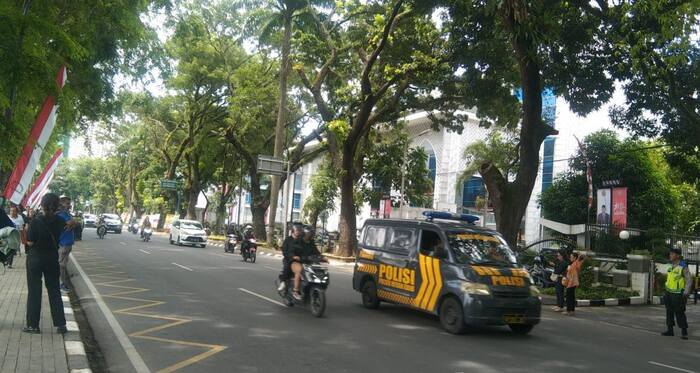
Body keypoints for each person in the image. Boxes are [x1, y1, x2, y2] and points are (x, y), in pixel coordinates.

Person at [24, 193, 67, 334]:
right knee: (54, 291)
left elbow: (29, 241)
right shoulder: (60, 221)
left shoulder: (35, 221)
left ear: (42, 205)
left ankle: (33, 326)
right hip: (51, 259)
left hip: (35, 259)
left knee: (35, 291)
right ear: (56, 207)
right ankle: (61, 325)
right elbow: (71, 225)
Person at [661, 247, 693, 340]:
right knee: (669, 311)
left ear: (677, 256)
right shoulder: (671, 266)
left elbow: (689, 280)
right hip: (669, 292)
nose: (670, 255)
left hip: (678, 294)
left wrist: (686, 292)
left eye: (672, 254)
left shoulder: (683, 267)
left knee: (679, 312)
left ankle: (684, 332)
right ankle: (670, 330)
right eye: (670, 254)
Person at [57, 196, 76, 293]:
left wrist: (72, 223)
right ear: (62, 204)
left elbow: (74, 223)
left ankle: (62, 282)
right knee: (61, 265)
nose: (69, 205)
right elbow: (71, 222)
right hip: (63, 243)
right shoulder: (62, 214)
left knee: (63, 264)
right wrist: (72, 222)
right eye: (67, 203)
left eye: (69, 203)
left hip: (67, 243)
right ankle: (61, 284)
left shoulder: (66, 213)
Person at [277, 224, 304, 295]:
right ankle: (283, 282)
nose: (298, 232)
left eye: (299, 231)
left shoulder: (301, 241)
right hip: (289, 259)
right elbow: (284, 251)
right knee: (287, 268)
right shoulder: (288, 240)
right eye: (297, 230)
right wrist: (292, 256)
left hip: (301, 260)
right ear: (293, 231)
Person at [563, 252, 585, 316]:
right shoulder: (574, 263)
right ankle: (571, 311)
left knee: (569, 297)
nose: (570, 258)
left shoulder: (576, 263)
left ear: (575, 258)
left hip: (572, 282)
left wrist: (579, 256)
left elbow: (582, 257)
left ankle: (569, 311)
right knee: (571, 297)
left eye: (571, 257)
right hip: (572, 282)